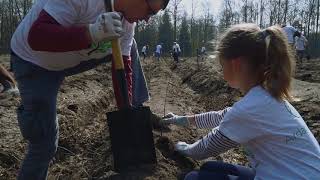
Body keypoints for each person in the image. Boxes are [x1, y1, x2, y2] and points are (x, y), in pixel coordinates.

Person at [10, 0, 169, 179]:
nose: (148, 20)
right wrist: (92, 32)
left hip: (71, 57)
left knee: (129, 45)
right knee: (44, 144)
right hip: (35, 62)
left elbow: (123, 69)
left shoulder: (127, 24)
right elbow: (37, 37)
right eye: (150, 11)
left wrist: (127, 115)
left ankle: (135, 107)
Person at [163, 24, 320, 180]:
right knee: (210, 168)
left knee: (191, 177)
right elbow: (222, 116)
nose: (221, 71)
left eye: (221, 65)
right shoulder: (266, 97)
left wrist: (181, 148)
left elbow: (204, 149)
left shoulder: (250, 108)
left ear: (235, 64)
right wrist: (179, 120)